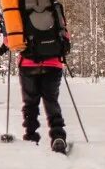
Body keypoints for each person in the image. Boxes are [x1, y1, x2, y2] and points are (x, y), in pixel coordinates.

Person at [19, 22, 72, 151]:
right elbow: (65, 35)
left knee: (30, 102)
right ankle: (58, 134)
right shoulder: (52, 7)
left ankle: (31, 135)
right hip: (53, 63)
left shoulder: (20, 12)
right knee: (51, 101)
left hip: (28, 63)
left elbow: (11, 40)